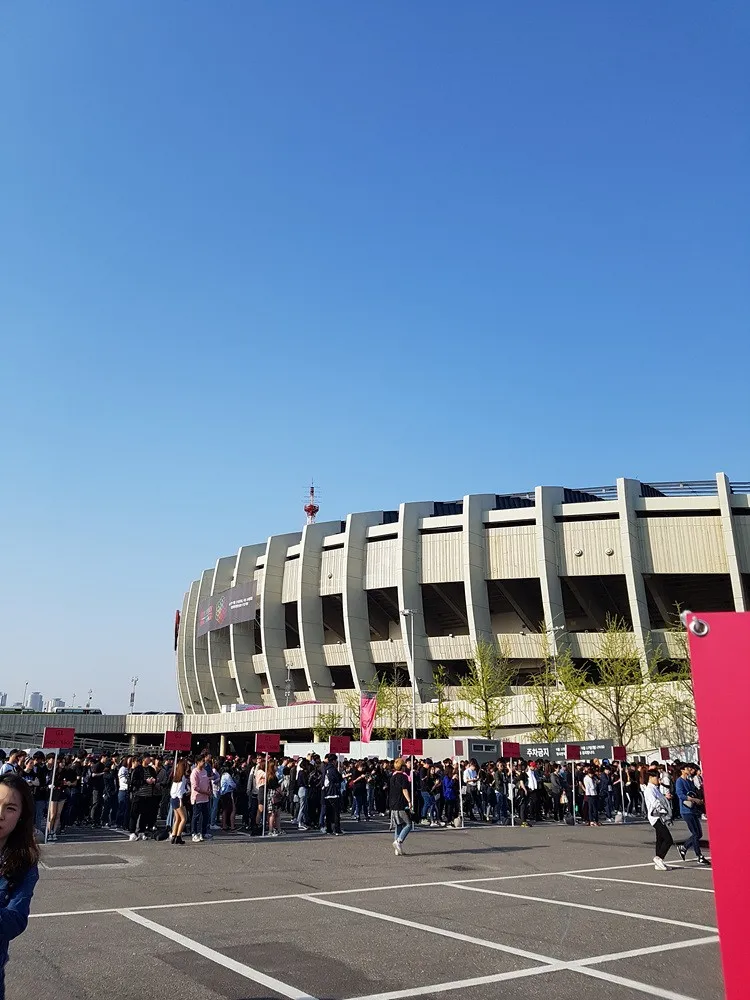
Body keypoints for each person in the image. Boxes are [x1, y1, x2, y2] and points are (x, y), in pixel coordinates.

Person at [0, 773, 40, 1000]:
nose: (0, 815)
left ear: (21, 816)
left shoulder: (24, 864)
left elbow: (16, 920)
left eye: (10, 808)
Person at [675, 764, 710, 866]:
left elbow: (694, 792)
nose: (690, 770)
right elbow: (680, 795)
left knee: (699, 834)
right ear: (682, 770)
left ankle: (684, 847)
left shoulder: (689, 781)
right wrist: (693, 799)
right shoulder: (679, 781)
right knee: (695, 833)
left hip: (693, 809)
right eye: (688, 768)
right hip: (686, 810)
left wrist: (699, 799)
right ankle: (699, 856)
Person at [642, 769, 675, 870]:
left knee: (660, 839)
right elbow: (655, 803)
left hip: (660, 816)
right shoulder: (649, 789)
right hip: (656, 817)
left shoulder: (655, 788)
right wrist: (664, 811)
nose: (659, 780)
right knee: (668, 839)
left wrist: (665, 797)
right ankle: (659, 857)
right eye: (657, 777)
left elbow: (660, 799)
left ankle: (658, 862)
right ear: (651, 778)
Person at [388, 757, 412, 856]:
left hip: (393, 804)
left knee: (398, 824)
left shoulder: (392, 777)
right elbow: (404, 789)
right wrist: (409, 801)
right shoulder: (403, 777)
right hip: (401, 803)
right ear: (402, 767)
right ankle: (399, 841)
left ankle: (397, 848)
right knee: (408, 824)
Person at [190, 756, 211, 842]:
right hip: (197, 798)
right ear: (198, 762)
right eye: (202, 761)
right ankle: (194, 833)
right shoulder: (194, 772)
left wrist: (209, 790)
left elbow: (207, 782)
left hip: (205, 798)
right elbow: (195, 787)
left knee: (205, 816)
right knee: (196, 816)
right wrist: (204, 792)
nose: (204, 763)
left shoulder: (205, 771)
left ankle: (203, 832)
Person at [169, 758, 189, 845]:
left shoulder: (176, 776)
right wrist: (181, 800)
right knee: (184, 818)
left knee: (177, 818)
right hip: (179, 799)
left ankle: (174, 835)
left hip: (173, 798)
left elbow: (174, 790)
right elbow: (180, 790)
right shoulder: (183, 777)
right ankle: (178, 836)